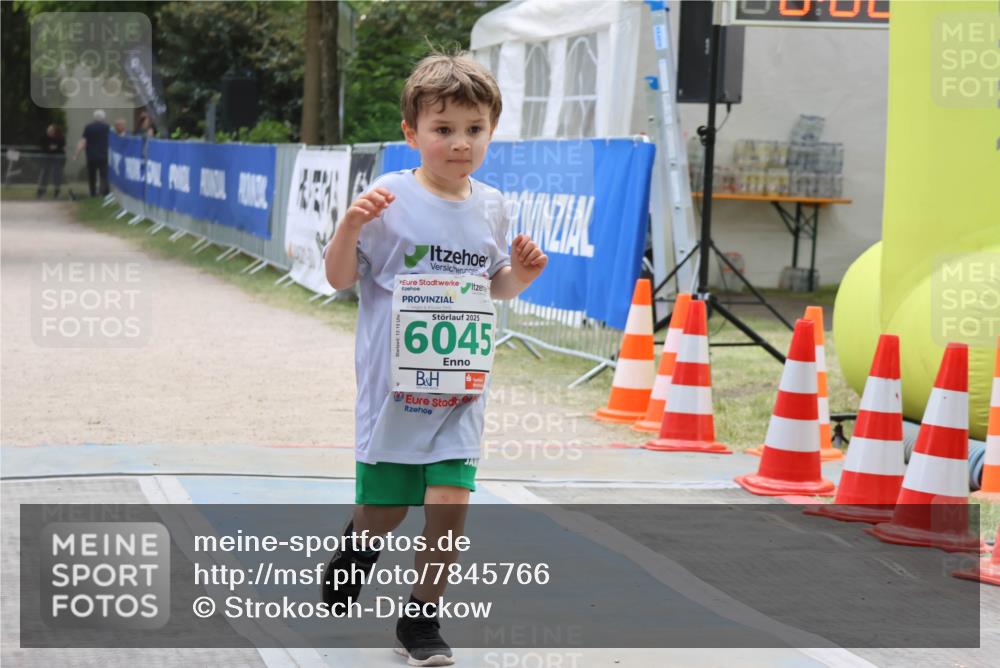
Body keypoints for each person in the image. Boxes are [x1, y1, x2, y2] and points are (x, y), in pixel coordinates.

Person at [321, 52, 547, 666]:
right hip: (393, 390)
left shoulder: (493, 205)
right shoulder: (388, 198)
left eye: (474, 130)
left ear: (491, 133)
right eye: (443, 130)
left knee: (450, 508)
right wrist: (346, 230)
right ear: (411, 134)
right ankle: (357, 547)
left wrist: (520, 276)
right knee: (388, 511)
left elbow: (493, 284)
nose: (459, 143)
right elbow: (341, 278)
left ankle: (420, 620)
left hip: (462, 389)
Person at [74, 109, 109, 197]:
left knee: (92, 175)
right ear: (104, 118)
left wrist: (76, 154)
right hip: (104, 155)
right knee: (103, 175)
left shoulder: (88, 127)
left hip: (91, 155)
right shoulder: (107, 127)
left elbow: (83, 141)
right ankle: (104, 193)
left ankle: (93, 192)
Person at [36, 124, 66, 199]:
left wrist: (55, 147)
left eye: (51, 131)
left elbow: (61, 145)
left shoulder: (60, 137)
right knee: (44, 173)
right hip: (46, 158)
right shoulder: (44, 137)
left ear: (55, 132)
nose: (49, 132)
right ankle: (41, 191)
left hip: (57, 158)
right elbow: (42, 145)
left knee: (57, 174)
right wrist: (49, 148)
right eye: (48, 130)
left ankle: (57, 192)